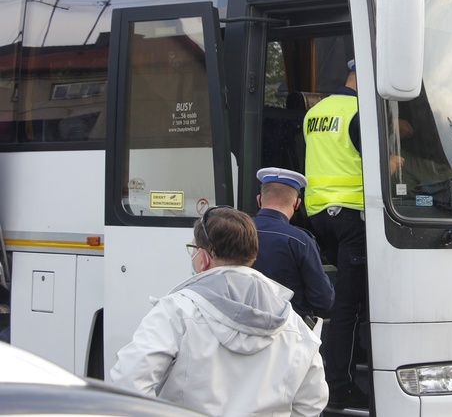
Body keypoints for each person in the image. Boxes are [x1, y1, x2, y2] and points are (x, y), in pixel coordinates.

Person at [110, 206, 328, 417]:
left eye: (193, 249)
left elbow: (130, 380)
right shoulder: (295, 325)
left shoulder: (176, 311)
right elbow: (311, 402)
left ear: (203, 258)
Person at [303, 59, 368, 409]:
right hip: (353, 217)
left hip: (319, 216)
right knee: (350, 307)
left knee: (345, 300)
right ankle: (339, 389)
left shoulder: (316, 112)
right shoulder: (362, 111)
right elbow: (374, 163)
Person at [252, 167, 335, 324]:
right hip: (289, 332)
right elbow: (323, 301)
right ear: (297, 204)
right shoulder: (301, 241)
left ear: (259, 200)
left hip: (241, 329)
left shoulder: (234, 232)